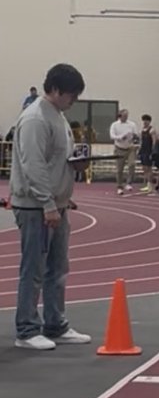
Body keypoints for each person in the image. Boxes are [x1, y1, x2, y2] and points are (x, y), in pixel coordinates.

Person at [9, 64, 91, 351]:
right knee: (34, 268)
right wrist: (47, 204)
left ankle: (55, 324)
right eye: (72, 95)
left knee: (57, 268)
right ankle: (27, 330)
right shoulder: (35, 119)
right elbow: (33, 166)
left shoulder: (58, 116)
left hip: (56, 204)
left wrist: (69, 183)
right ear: (55, 90)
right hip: (36, 208)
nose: (74, 101)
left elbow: (56, 161)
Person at [110, 108, 139, 195]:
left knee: (132, 165)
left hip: (130, 148)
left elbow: (136, 135)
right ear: (120, 116)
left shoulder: (132, 124)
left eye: (127, 115)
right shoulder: (115, 125)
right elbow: (112, 136)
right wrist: (120, 137)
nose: (126, 117)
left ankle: (129, 183)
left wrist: (134, 140)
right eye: (124, 115)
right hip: (119, 148)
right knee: (119, 169)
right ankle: (119, 186)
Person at [138, 114, 156, 194]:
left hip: (149, 151)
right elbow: (141, 141)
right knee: (144, 168)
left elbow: (154, 142)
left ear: (149, 121)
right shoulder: (142, 130)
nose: (145, 122)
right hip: (143, 150)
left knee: (149, 168)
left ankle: (151, 185)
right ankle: (147, 184)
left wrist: (153, 151)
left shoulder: (152, 130)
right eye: (144, 120)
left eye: (146, 120)